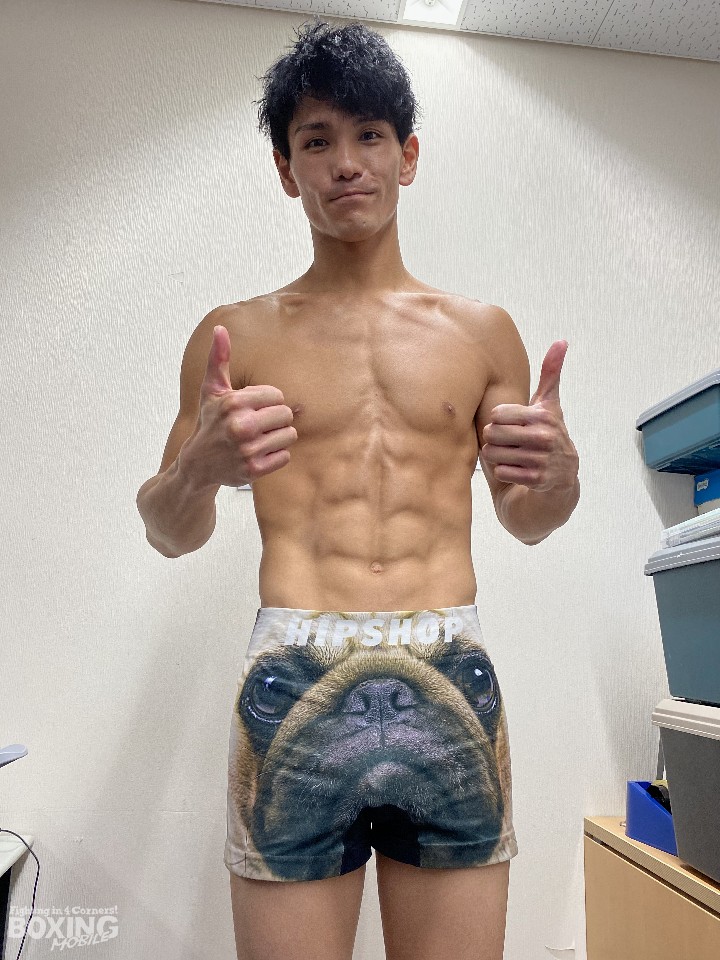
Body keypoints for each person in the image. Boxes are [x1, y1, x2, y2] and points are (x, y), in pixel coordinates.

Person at [136, 18, 580, 960]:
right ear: (285, 169)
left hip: (447, 665)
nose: (345, 163)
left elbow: (530, 519)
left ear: (407, 156)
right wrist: (198, 470)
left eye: (370, 135)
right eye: (316, 140)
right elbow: (168, 531)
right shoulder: (236, 336)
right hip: (295, 669)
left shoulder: (481, 332)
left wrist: (561, 475)